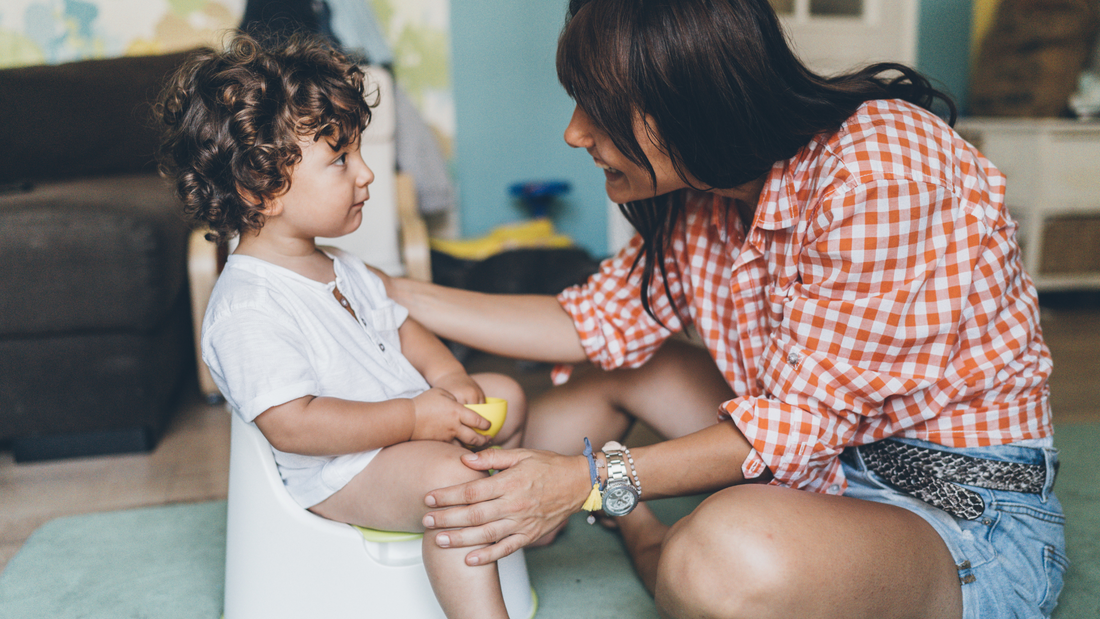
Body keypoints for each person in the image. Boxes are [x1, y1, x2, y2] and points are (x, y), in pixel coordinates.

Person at [375, 1, 1067, 618]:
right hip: (829, 462)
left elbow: (799, 425)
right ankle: (463, 492)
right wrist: (389, 291)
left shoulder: (880, 169)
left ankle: (642, 533)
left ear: (687, 98)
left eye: (595, 106)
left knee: (720, 557)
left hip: (961, 515)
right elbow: (585, 321)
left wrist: (589, 483)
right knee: (628, 368)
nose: (574, 133)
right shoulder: (707, 194)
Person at [156, 32, 527, 619]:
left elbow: (403, 328)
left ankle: (513, 537)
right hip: (340, 472)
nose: (367, 175)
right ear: (263, 188)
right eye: (341, 160)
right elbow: (295, 427)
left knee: (505, 393)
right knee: (462, 483)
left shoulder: (342, 267)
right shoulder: (248, 307)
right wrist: (413, 417)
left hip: (400, 431)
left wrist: (448, 375)